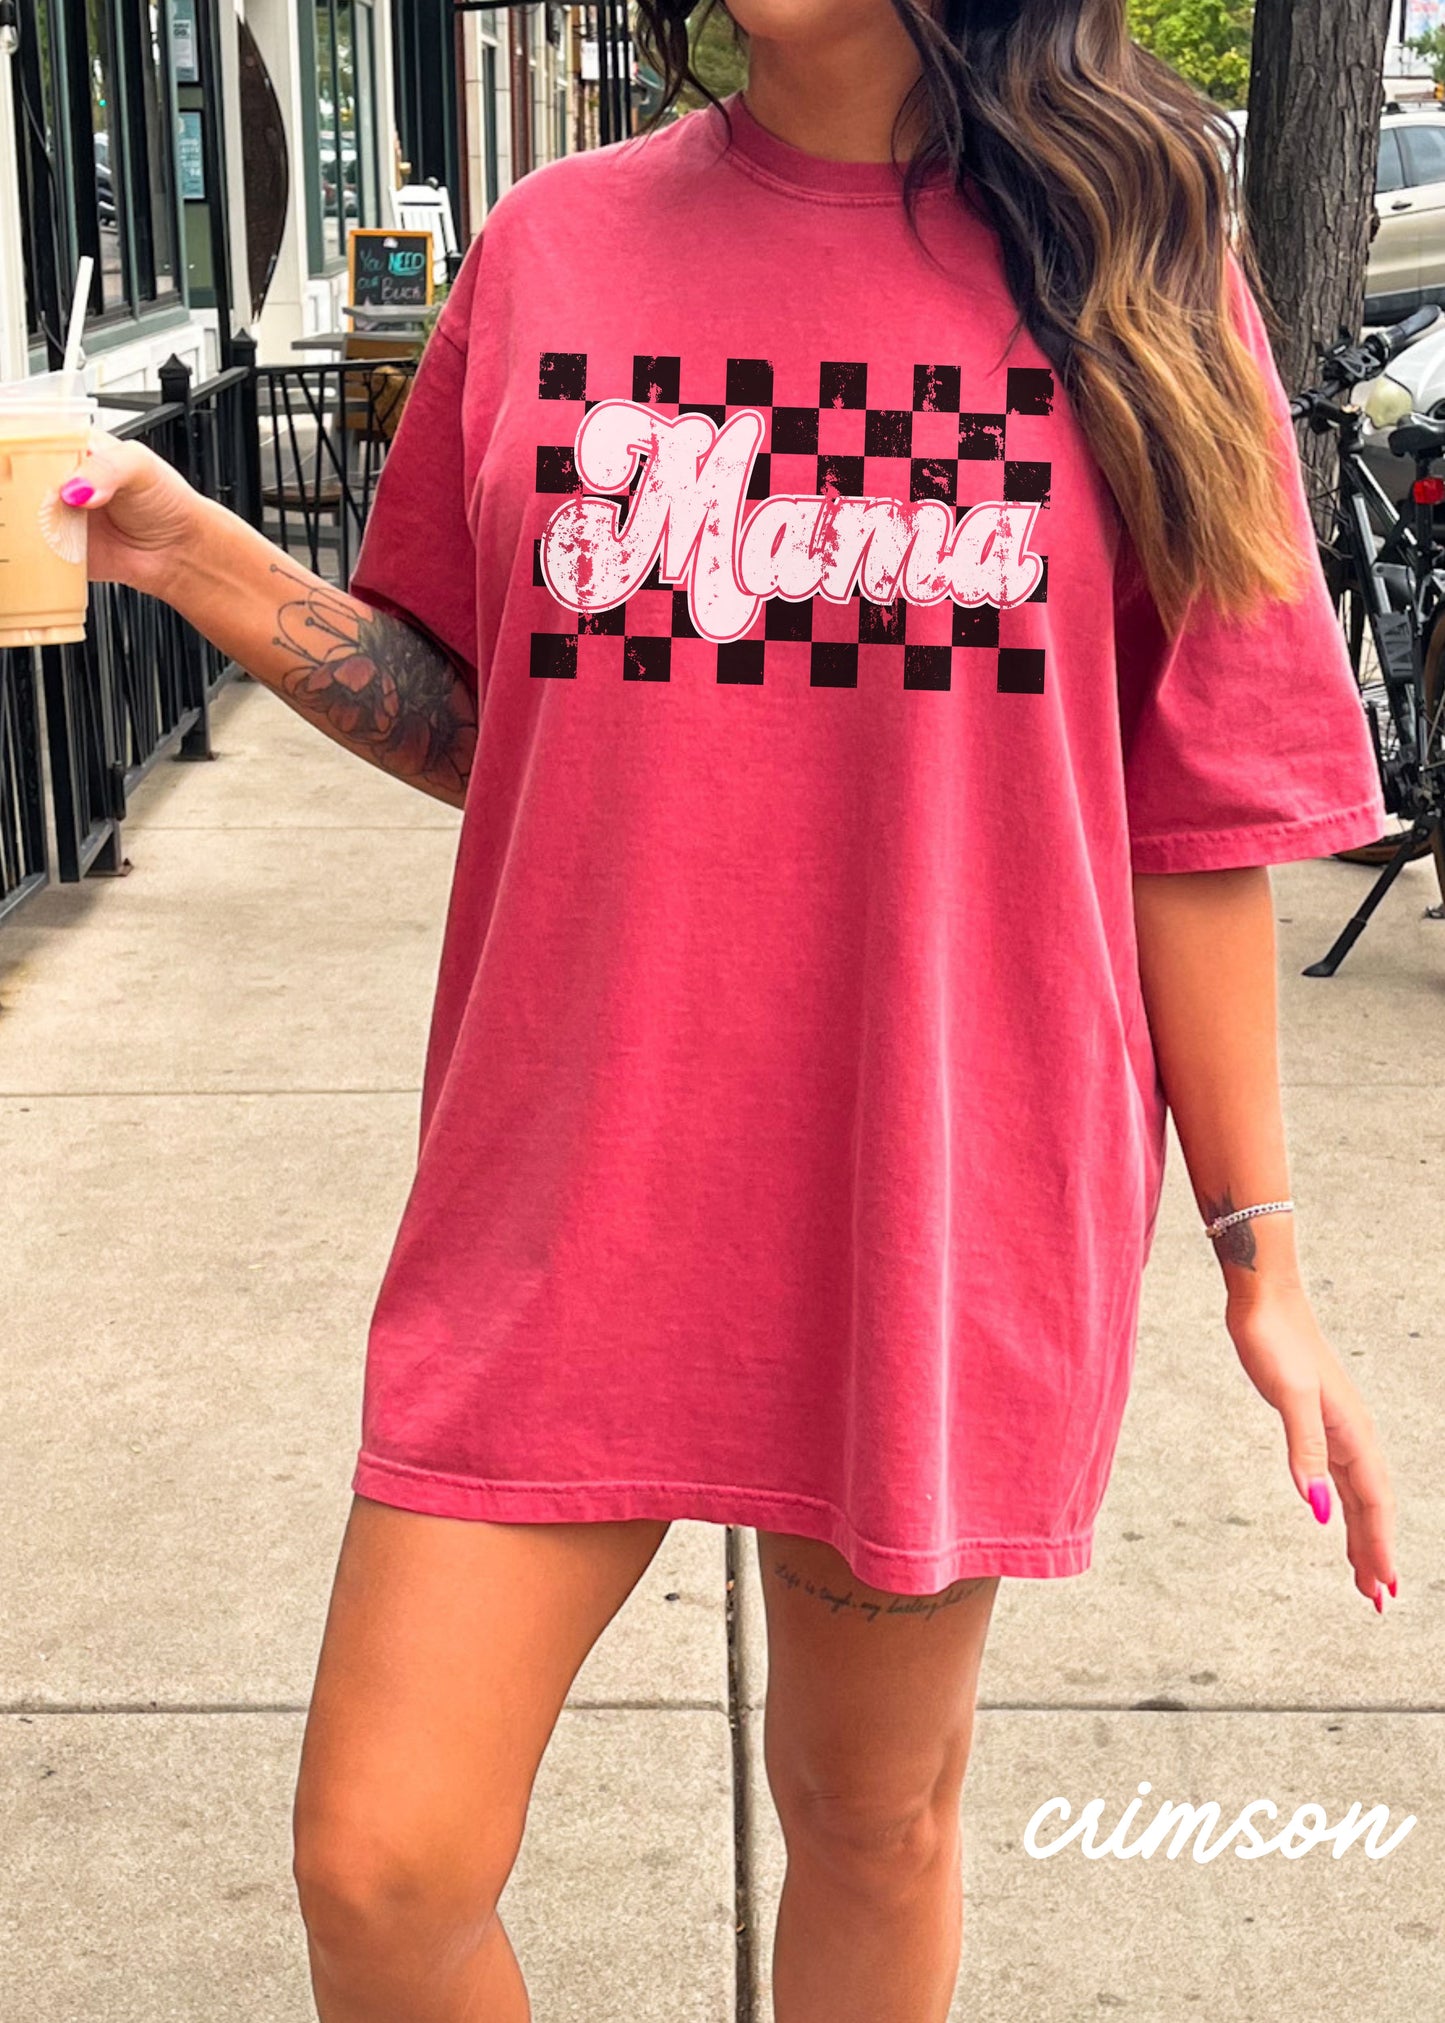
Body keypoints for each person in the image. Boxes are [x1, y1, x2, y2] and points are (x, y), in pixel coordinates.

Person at [61, 2, 1400, 2017]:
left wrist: (1259, 1252)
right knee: (382, 1866)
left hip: (930, 1184)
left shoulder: (1133, 263)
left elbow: (1194, 814)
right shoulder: (554, 247)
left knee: (871, 1817)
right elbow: (489, 719)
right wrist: (183, 550)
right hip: (565, 1182)